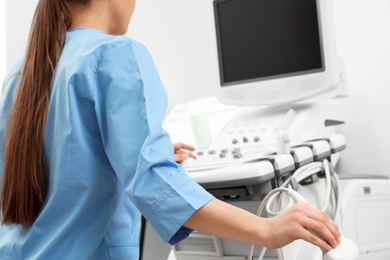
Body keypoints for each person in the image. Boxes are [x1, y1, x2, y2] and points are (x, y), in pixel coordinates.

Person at [0, 0, 340, 259]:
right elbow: (153, 182)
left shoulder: (23, 73)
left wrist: (133, 153)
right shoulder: (114, 54)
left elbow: (46, 165)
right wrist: (267, 229)